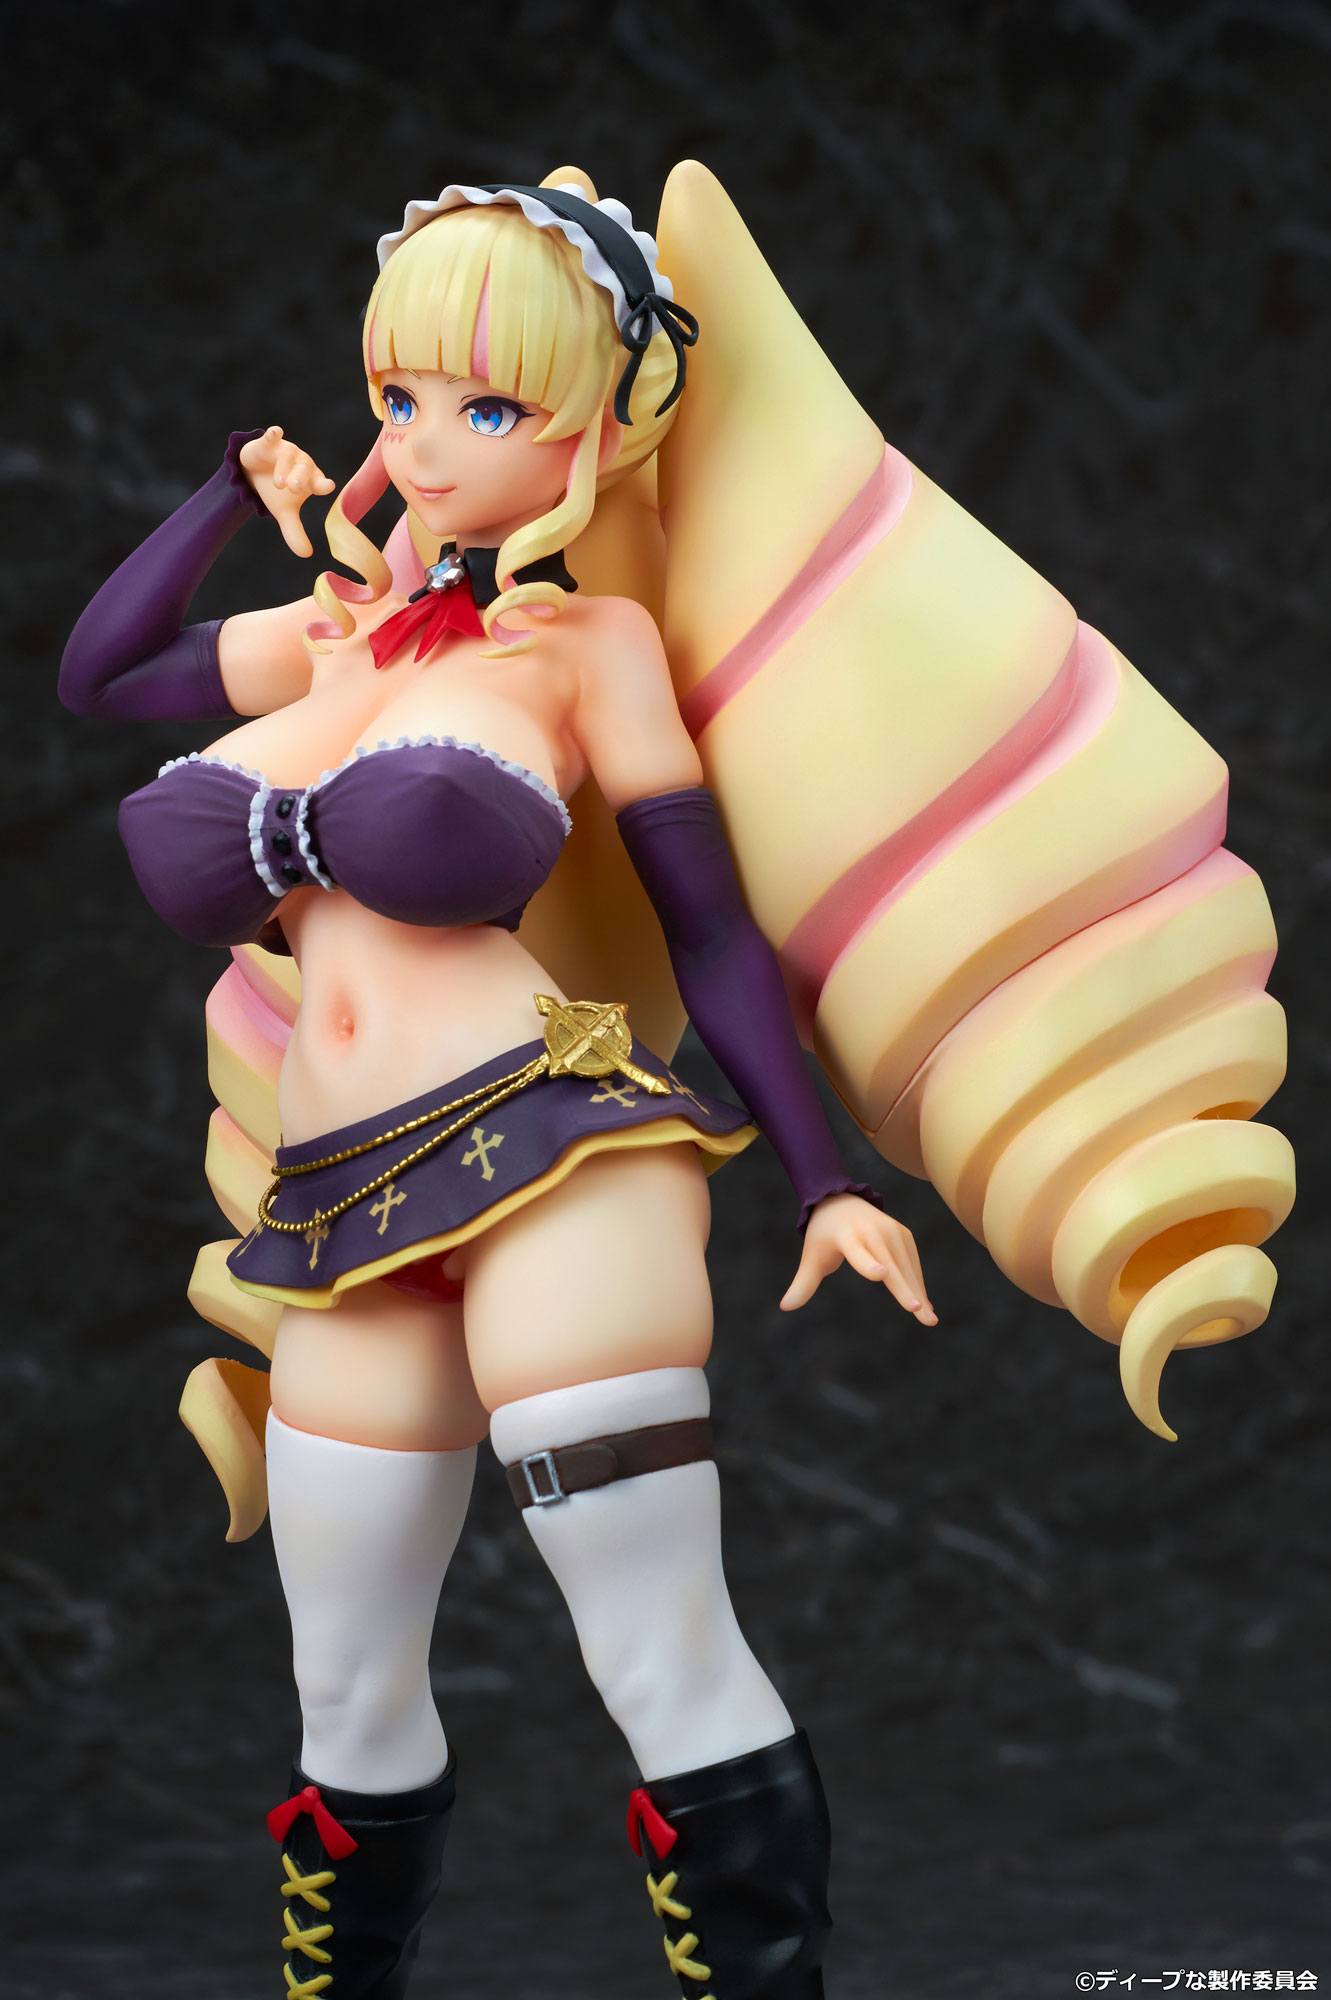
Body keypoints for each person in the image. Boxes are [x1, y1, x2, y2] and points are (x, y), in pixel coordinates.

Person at [60, 167, 939, 1999]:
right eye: (398, 395)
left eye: (486, 404)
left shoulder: (590, 649)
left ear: (596, 429)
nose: (423, 440)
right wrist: (230, 489)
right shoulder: (326, 633)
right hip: (339, 1214)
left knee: (656, 1648)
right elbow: (104, 674)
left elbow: (708, 930)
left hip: (554, 1163)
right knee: (345, 1686)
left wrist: (828, 1178)